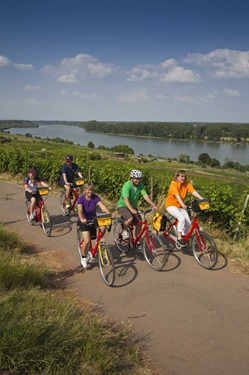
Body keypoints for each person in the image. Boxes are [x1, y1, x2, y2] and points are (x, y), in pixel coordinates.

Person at [117, 169, 157, 251]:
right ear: (131, 178)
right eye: (136, 178)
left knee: (139, 224)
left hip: (133, 207)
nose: (137, 180)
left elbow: (145, 196)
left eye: (139, 179)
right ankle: (124, 230)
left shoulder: (140, 185)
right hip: (123, 206)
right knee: (130, 218)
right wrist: (131, 209)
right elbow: (125, 199)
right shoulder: (127, 185)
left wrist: (152, 204)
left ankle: (137, 242)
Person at [77, 182, 112, 268]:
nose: (90, 192)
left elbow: (102, 206)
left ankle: (98, 241)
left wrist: (109, 213)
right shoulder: (81, 199)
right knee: (87, 240)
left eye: (92, 190)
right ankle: (84, 257)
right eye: (88, 190)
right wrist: (82, 218)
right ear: (85, 190)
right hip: (84, 221)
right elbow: (80, 211)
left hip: (93, 219)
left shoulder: (95, 197)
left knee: (103, 228)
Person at [165, 169, 203, 248]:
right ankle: (179, 238)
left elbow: (193, 191)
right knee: (181, 218)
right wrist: (183, 204)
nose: (183, 178)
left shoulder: (186, 184)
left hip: (180, 207)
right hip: (171, 206)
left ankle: (183, 238)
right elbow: (176, 195)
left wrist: (202, 199)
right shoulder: (173, 183)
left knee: (188, 223)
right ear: (177, 177)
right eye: (181, 176)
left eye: (184, 177)